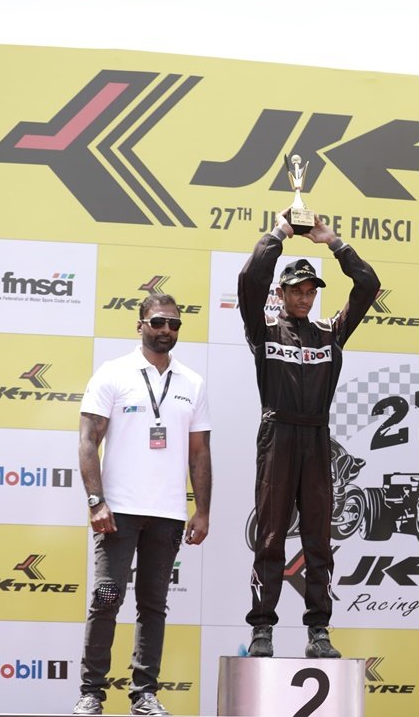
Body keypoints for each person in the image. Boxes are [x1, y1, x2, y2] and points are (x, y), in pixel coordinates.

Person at [239, 210, 379, 658]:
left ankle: (318, 630)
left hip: (317, 439)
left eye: (309, 291)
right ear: (280, 294)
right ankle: (262, 629)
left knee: (319, 538)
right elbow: (250, 277)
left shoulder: (329, 333)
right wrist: (281, 232)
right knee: (271, 536)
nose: (303, 298)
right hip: (277, 435)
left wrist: (333, 242)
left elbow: (368, 286)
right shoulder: (261, 329)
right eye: (295, 291)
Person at [73, 294, 212, 716]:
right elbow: (87, 440)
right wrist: (96, 502)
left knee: (153, 605)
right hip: (118, 513)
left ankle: (144, 694)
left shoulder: (193, 382)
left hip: (167, 515)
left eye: (173, 323)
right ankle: (92, 693)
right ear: (140, 325)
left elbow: (200, 452)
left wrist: (202, 511)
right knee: (107, 597)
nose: (166, 329)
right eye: (158, 322)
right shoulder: (114, 373)